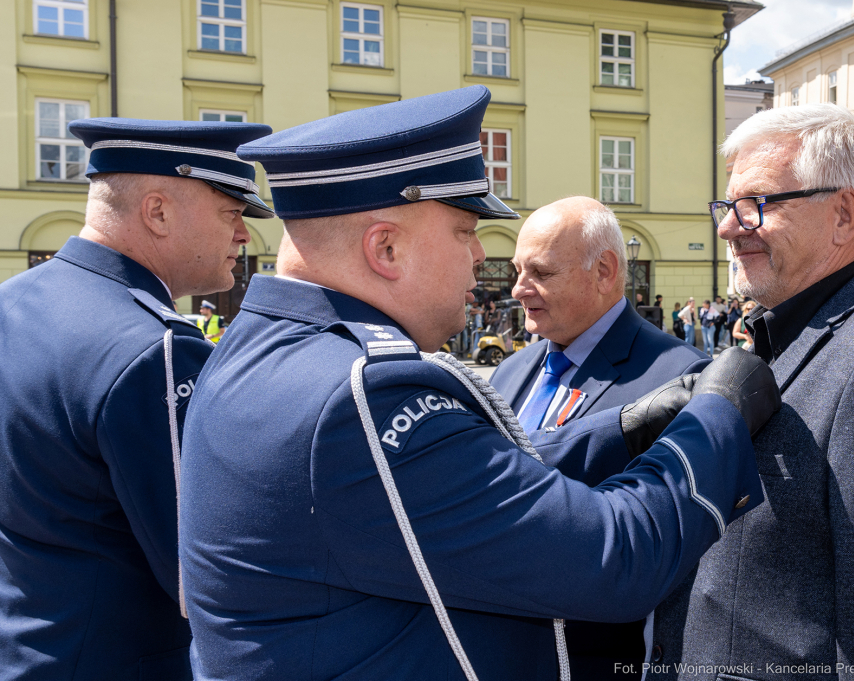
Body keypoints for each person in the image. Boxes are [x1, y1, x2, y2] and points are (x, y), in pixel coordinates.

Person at [178, 86, 779, 681]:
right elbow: (612, 559)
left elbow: (446, 478)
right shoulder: (360, 395)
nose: (477, 260)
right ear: (385, 247)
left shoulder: (262, 350)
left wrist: (622, 429)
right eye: (466, 232)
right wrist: (717, 414)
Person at [648, 103, 854, 679]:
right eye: (727, 206)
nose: (728, 226)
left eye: (756, 204)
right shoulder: (784, 334)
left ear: (843, 214)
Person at [0, 119, 274, 680]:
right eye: (232, 212)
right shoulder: (156, 349)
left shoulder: (13, 300)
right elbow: (202, 570)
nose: (244, 234)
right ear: (158, 212)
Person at [488, 196, 708, 678]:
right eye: (517, 270)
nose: (519, 289)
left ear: (605, 270)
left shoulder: (678, 375)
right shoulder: (509, 371)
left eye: (540, 273)